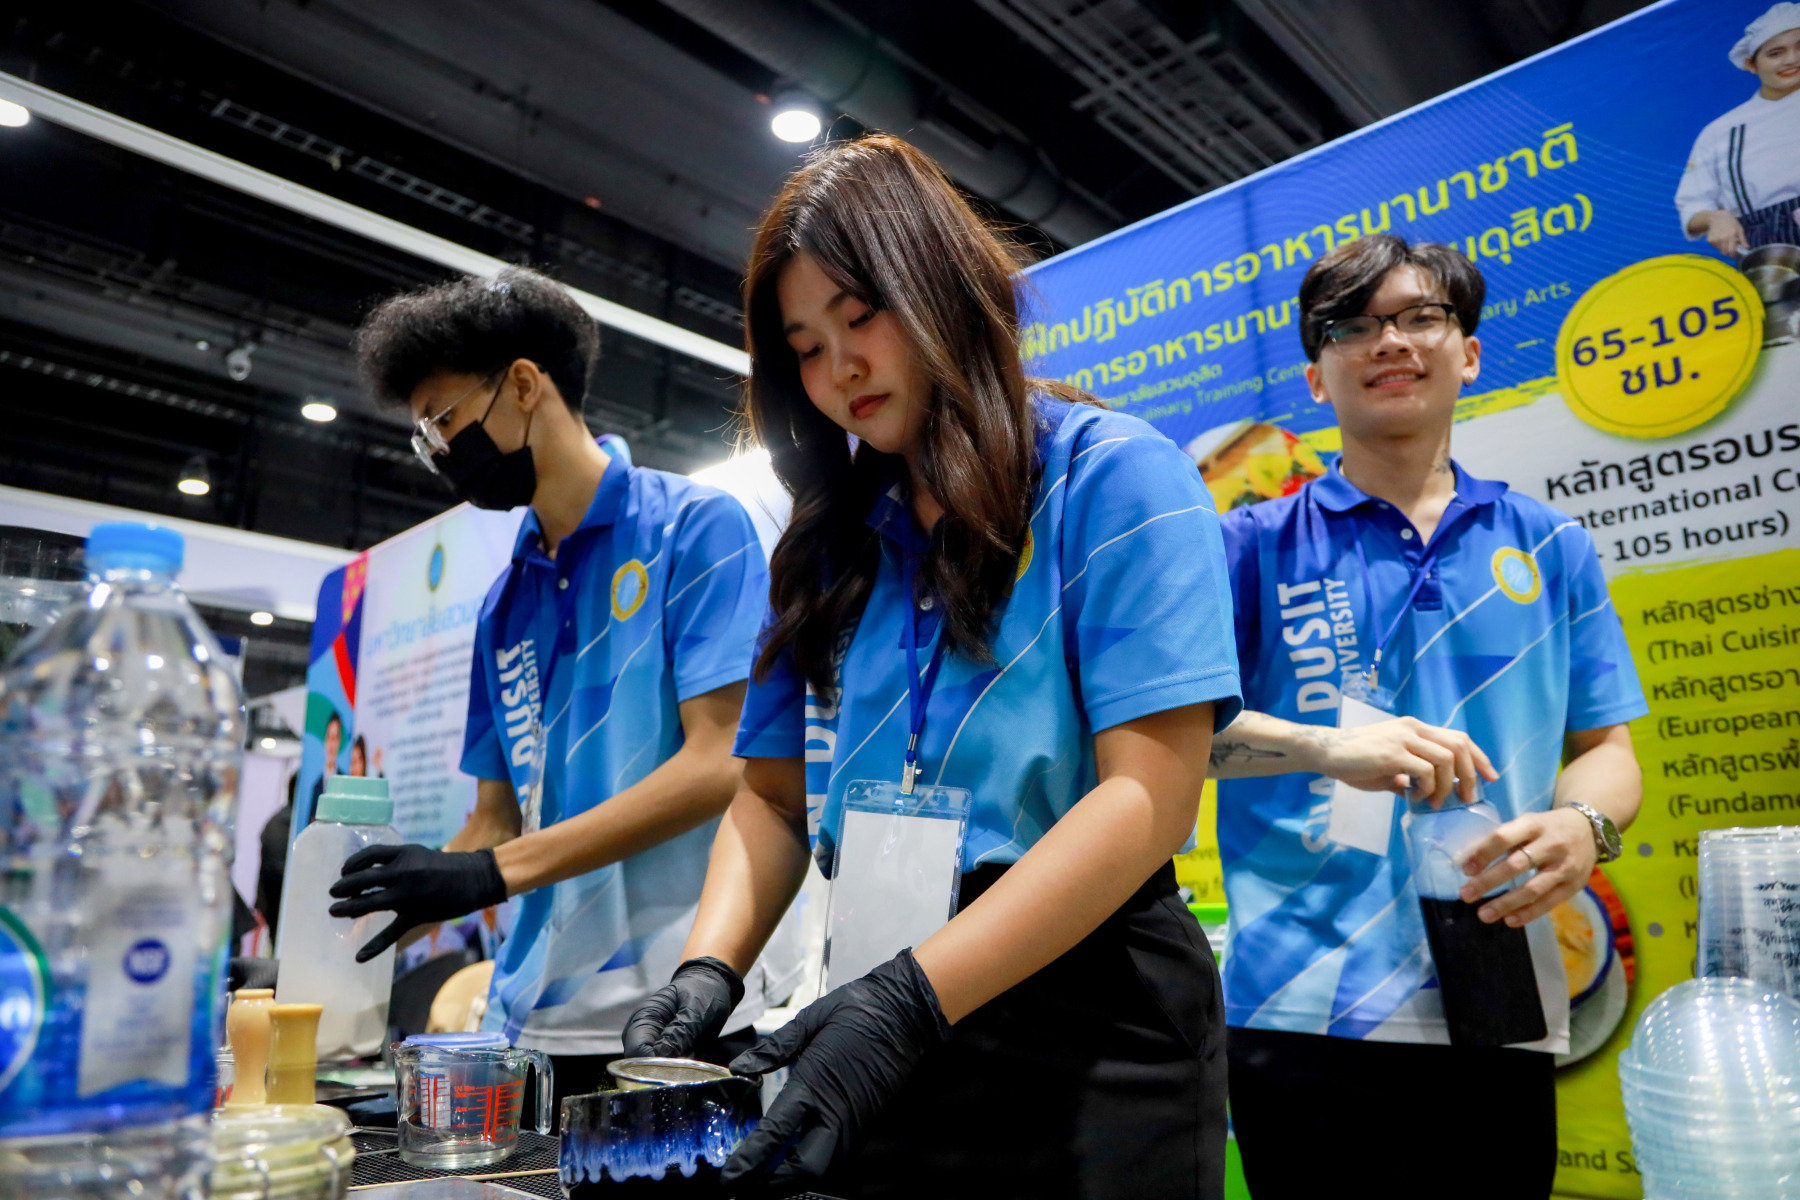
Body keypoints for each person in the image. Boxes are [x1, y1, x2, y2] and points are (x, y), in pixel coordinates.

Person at [624, 134, 1243, 1199]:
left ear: (942, 285)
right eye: (806, 347)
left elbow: (1149, 796)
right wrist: (709, 967)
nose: (840, 369)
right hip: (879, 1002)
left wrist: (912, 998)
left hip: (1089, 1013)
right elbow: (771, 798)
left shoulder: (1114, 477)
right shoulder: (825, 548)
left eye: (860, 316)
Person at [1208, 235, 1646, 1199]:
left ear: (1470, 352)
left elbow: (1607, 748)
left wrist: (1585, 824)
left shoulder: (1552, 545)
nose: (1390, 342)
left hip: (1498, 978)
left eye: (1420, 317)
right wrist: (1325, 746)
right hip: (1301, 1000)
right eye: (1352, 327)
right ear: (1316, 377)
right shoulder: (1245, 545)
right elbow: (1178, 743)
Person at [328, 267, 799, 1108]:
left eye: (444, 419)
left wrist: (490, 873)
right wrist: (375, 916)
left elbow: (720, 763)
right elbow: (496, 818)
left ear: (522, 384)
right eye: (426, 436)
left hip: (680, 1006)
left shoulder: (693, 529)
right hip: (534, 1021)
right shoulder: (503, 604)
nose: (441, 452)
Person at [1676, 3, 1800, 255]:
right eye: (1775, 53)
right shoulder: (1721, 132)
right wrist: (1715, 218)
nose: (1791, 60)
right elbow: (1692, 205)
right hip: (1773, 258)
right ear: (1751, 65)